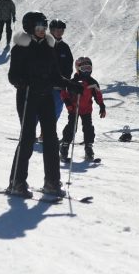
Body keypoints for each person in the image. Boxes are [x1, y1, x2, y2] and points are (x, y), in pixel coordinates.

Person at [6, 11, 81, 198]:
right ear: (30, 28)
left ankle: (52, 182)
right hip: (28, 96)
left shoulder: (49, 47)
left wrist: (71, 84)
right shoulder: (20, 48)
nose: (42, 31)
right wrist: (22, 82)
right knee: (28, 138)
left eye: (43, 27)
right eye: (38, 27)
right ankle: (17, 181)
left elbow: (56, 75)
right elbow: (12, 75)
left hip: (46, 95)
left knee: (50, 140)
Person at [59, 57, 106, 162]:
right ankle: (64, 147)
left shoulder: (92, 82)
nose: (86, 71)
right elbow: (63, 93)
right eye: (84, 68)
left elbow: (98, 95)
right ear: (78, 69)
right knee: (72, 127)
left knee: (88, 128)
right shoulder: (72, 81)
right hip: (74, 109)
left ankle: (88, 147)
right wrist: (68, 103)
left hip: (86, 109)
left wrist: (102, 105)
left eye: (88, 68)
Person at [49, 19, 73, 124]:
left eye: (61, 30)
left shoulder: (65, 47)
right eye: (56, 30)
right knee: (41, 109)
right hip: (46, 84)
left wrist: (65, 81)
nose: (59, 32)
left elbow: (69, 66)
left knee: (56, 109)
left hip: (59, 86)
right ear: (51, 30)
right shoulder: (45, 44)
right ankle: (29, 132)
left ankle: (46, 133)